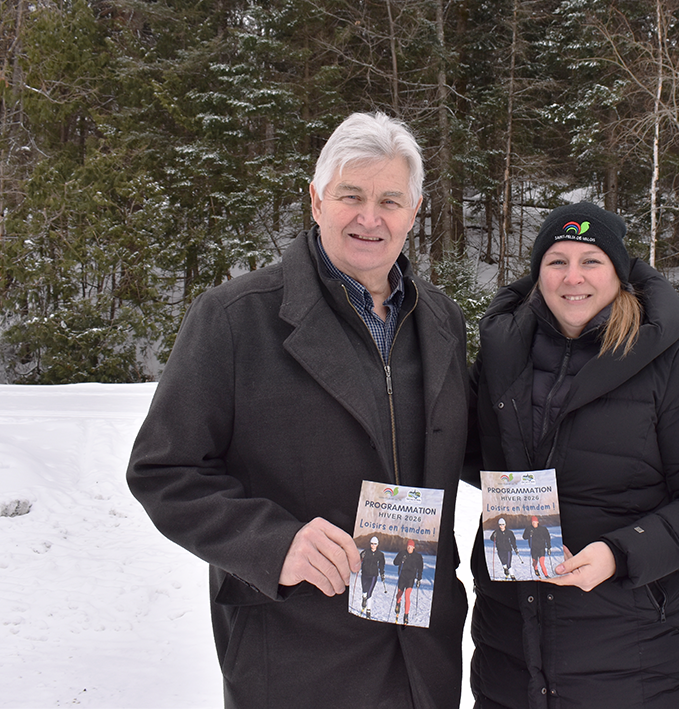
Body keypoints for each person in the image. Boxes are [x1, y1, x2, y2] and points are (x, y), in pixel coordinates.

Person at [127, 112, 471, 709]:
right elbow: (164, 470)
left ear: (414, 212)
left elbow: (478, 442)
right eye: (351, 196)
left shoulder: (441, 321)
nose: (370, 218)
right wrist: (274, 543)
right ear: (316, 201)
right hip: (294, 654)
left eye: (390, 201)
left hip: (421, 652)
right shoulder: (236, 318)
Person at [468, 201, 679, 708]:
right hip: (510, 652)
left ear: (619, 272)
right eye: (557, 261)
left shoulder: (673, 367)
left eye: (591, 261)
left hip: (634, 657)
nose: (573, 277)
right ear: (538, 275)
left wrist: (620, 553)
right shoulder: (501, 358)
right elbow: (465, 451)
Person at [394, 539, 425, 625]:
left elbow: (420, 568)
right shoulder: (402, 553)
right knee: (399, 594)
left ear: (413, 547)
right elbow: (395, 562)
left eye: (411, 547)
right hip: (402, 577)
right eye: (408, 546)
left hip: (410, 578)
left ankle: (406, 615)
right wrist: (401, 559)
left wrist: (419, 579)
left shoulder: (417, 556)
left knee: (407, 596)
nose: (409, 548)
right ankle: (398, 603)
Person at [360, 535, 387, 617]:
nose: (373, 545)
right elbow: (359, 560)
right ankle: (364, 597)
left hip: (373, 575)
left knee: (369, 592)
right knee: (364, 590)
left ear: (377, 544)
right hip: (365, 574)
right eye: (372, 543)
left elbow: (381, 565)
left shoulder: (380, 554)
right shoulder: (365, 552)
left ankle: (368, 610)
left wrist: (382, 573)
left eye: (375, 544)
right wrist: (360, 559)